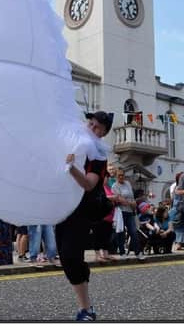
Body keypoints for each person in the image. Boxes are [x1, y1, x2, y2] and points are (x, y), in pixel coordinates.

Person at [58, 111, 114, 321]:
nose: (91, 128)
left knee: (71, 256)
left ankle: (86, 309)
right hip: (63, 208)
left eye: (97, 127)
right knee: (66, 258)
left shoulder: (98, 156)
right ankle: (86, 307)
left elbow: (89, 184)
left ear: (104, 133)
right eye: (90, 123)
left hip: (82, 211)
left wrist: (71, 168)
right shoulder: (73, 142)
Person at [111, 167, 144, 260]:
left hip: (130, 212)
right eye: (119, 175)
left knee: (133, 232)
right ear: (116, 176)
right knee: (121, 233)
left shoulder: (128, 184)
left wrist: (133, 203)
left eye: (122, 175)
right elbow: (120, 199)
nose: (121, 177)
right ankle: (122, 252)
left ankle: (138, 252)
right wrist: (131, 203)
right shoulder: (114, 186)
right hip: (121, 212)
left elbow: (132, 197)